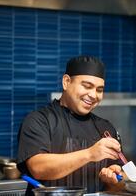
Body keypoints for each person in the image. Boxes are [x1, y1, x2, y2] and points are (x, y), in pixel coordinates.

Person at [17, 56, 124, 195]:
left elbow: (118, 186)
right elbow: (38, 168)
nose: (93, 95)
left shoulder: (105, 129)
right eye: (87, 86)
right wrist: (90, 154)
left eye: (99, 89)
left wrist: (114, 181)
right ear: (66, 82)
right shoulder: (39, 120)